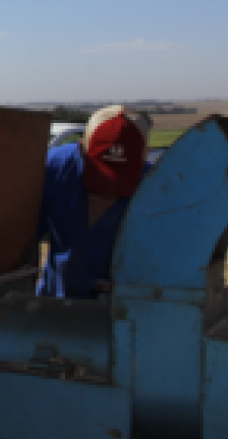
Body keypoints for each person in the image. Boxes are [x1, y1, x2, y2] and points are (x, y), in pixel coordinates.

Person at [35, 105, 152, 299]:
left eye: (121, 175)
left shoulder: (156, 187)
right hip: (54, 305)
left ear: (145, 155)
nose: (109, 190)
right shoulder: (53, 171)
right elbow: (22, 244)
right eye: (103, 173)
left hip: (120, 314)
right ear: (82, 149)